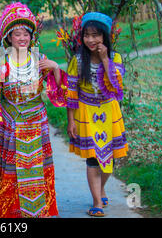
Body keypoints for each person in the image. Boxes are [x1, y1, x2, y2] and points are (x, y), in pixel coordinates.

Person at [0, 2, 68, 218]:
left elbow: (59, 93)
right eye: (17, 34)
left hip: (37, 124)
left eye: (26, 33)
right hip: (10, 124)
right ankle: (12, 212)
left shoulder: (40, 60)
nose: (22, 38)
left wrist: (55, 67)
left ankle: (39, 211)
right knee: (13, 168)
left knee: (37, 167)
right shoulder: (0, 65)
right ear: (9, 37)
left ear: (31, 36)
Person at [65, 12, 128, 217]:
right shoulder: (77, 60)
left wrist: (104, 58)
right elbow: (72, 92)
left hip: (110, 113)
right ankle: (96, 202)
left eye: (96, 35)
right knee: (93, 159)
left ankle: (101, 189)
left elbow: (115, 85)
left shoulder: (115, 58)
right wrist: (71, 121)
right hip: (86, 113)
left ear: (105, 36)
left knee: (110, 160)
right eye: (87, 35)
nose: (91, 40)